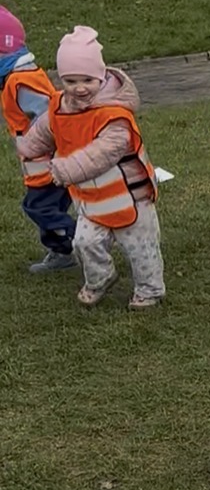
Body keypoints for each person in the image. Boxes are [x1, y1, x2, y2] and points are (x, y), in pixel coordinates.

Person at [16, 25, 164, 310]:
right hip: (90, 199)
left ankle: (150, 289)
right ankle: (100, 277)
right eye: (70, 80)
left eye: (87, 79)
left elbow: (104, 152)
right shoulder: (60, 106)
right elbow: (47, 129)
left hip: (131, 196)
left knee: (141, 247)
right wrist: (29, 147)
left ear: (101, 75)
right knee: (84, 242)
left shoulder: (114, 115)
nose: (79, 87)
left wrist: (66, 170)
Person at [0, 5, 75, 274]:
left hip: (49, 164)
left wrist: (35, 145)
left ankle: (83, 238)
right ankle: (63, 251)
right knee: (47, 206)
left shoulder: (21, 81)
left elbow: (49, 119)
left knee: (39, 207)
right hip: (43, 163)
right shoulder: (19, 77)